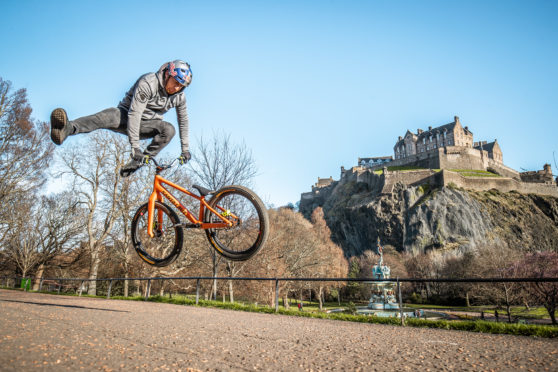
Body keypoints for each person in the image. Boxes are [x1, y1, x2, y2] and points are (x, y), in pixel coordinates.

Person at [50, 60, 193, 177]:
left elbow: (183, 121)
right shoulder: (148, 83)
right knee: (106, 116)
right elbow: (135, 113)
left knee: (169, 130)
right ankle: (68, 128)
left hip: (148, 124)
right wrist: (135, 147)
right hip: (125, 115)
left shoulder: (179, 97)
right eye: (175, 83)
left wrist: (185, 149)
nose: (176, 88)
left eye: (181, 86)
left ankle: (137, 163)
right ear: (168, 74)